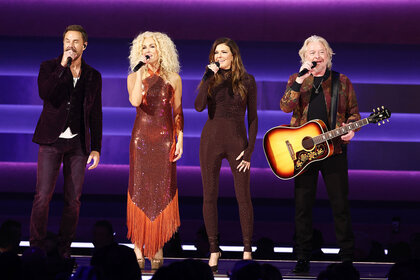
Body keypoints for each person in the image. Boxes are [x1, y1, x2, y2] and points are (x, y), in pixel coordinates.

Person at [280, 35, 360, 273]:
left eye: (321, 52)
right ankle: (303, 256)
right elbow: (285, 106)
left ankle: (346, 258)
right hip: (303, 152)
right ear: (304, 57)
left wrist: (352, 130)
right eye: (311, 53)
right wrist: (299, 81)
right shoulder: (297, 80)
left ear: (328, 56)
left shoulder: (341, 81)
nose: (317, 57)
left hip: (333, 149)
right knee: (303, 205)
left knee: (340, 204)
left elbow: (354, 113)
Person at [30, 24, 102, 259]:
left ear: (84, 45)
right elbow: (46, 93)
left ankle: (64, 249)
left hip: (78, 144)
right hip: (51, 141)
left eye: (75, 42)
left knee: (73, 200)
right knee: (42, 197)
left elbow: (95, 113)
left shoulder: (93, 75)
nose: (70, 46)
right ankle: (36, 247)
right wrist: (62, 66)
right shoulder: (49, 67)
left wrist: (96, 148)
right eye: (67, 41)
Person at [195, 37, 258, 272]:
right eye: (215, 53)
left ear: (233, 55)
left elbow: (253, 118)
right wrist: (206, 78)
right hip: (210, 140)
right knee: (209, 195)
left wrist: (250, 149)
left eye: (223, 52)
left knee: (243, 196)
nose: (218, 56)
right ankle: (213, 249)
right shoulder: (211, 79)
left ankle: (247, 248)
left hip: (237, 142)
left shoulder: (248, 80)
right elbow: (199, 106)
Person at [126, 31, 183, 270]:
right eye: (144, 47)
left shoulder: (173, 78)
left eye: (152, 46)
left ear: (162, 50)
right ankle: (139, 245)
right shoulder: (133, 76)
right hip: (141, 140)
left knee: (161, 191)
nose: (148, 50)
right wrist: (140, 73)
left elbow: (178, 112)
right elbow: (135, 102)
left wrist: (180, 138)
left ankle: (157, 245)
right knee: (140, 190)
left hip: (164, 141)